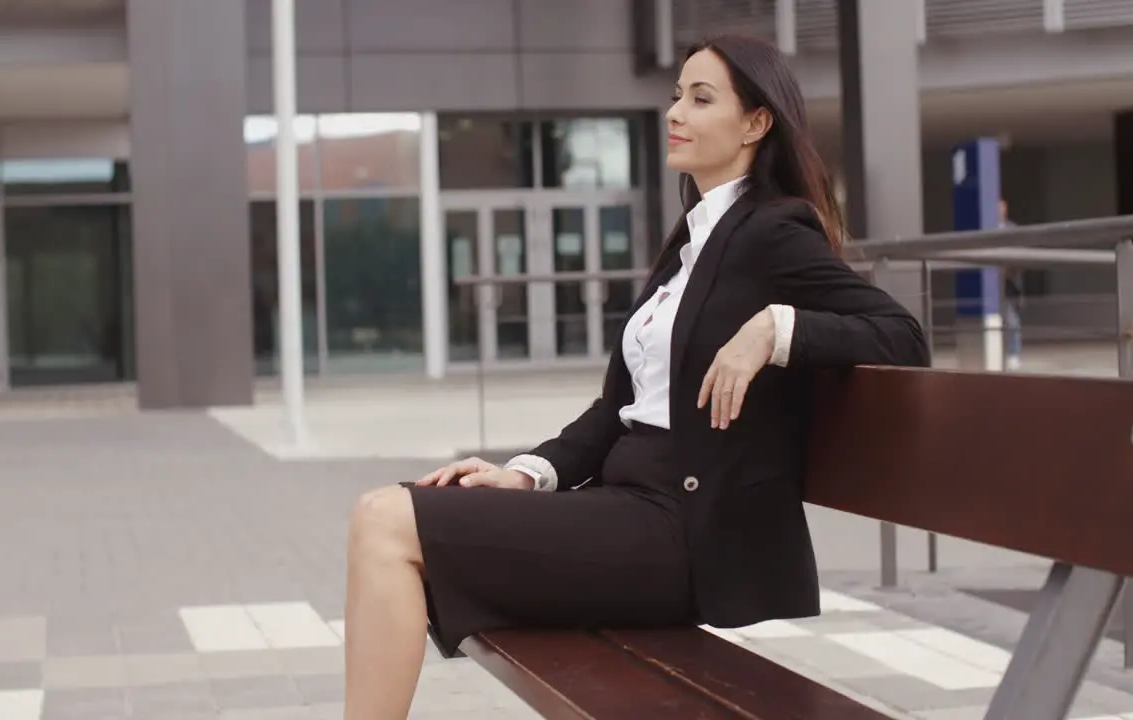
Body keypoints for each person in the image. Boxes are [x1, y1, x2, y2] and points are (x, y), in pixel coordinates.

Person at [342, 33, 931, 719]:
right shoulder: (692, 243)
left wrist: (776, 330)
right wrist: (528, 473)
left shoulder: (772, 233)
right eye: (676, 94)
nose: (675, 112)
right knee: (380, 516)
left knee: (387, 521)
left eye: (700, 98)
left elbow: (904, 336)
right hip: (625, 513)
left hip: (680, 532)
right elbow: (615, 411)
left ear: (755, 123)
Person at [998, 198, 1023, 370]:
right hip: (992, 283)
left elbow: (1019, 255)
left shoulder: (1012, 229)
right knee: (1001, 322)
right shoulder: (986, 228)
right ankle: (1005, 354)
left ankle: (1013, 354)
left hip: (1008, 283)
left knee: (1012, 321)